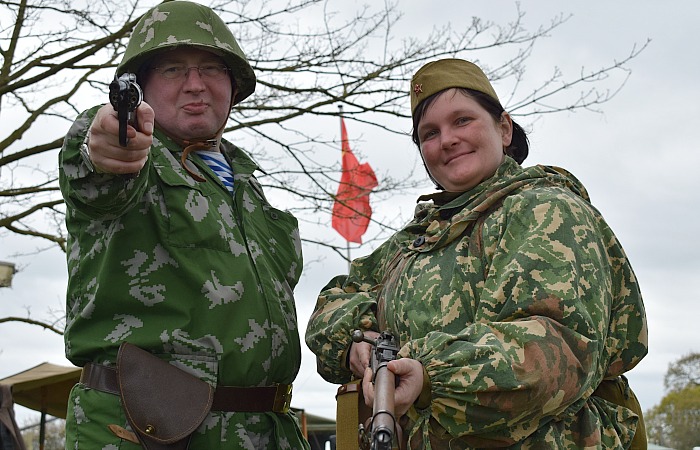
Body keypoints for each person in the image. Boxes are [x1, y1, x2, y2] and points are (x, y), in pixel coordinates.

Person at [305, 58, 648, 449]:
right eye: (429, 133)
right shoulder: (412, 243)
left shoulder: (546, 211)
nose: (447, 139)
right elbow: (331, 303)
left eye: (462, 120)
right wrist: (356, 344)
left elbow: (555, 353)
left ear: (503, 128)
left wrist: (430, 375)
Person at [58, 2, 309, 449]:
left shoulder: (247, 188)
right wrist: (104, 144)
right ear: (141, 86)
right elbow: (95, 165)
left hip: (264, 432)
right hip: (145, 433)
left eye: (212, 68)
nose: (196, 84)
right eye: (173, 69)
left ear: (234, 86)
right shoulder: (138, 156)